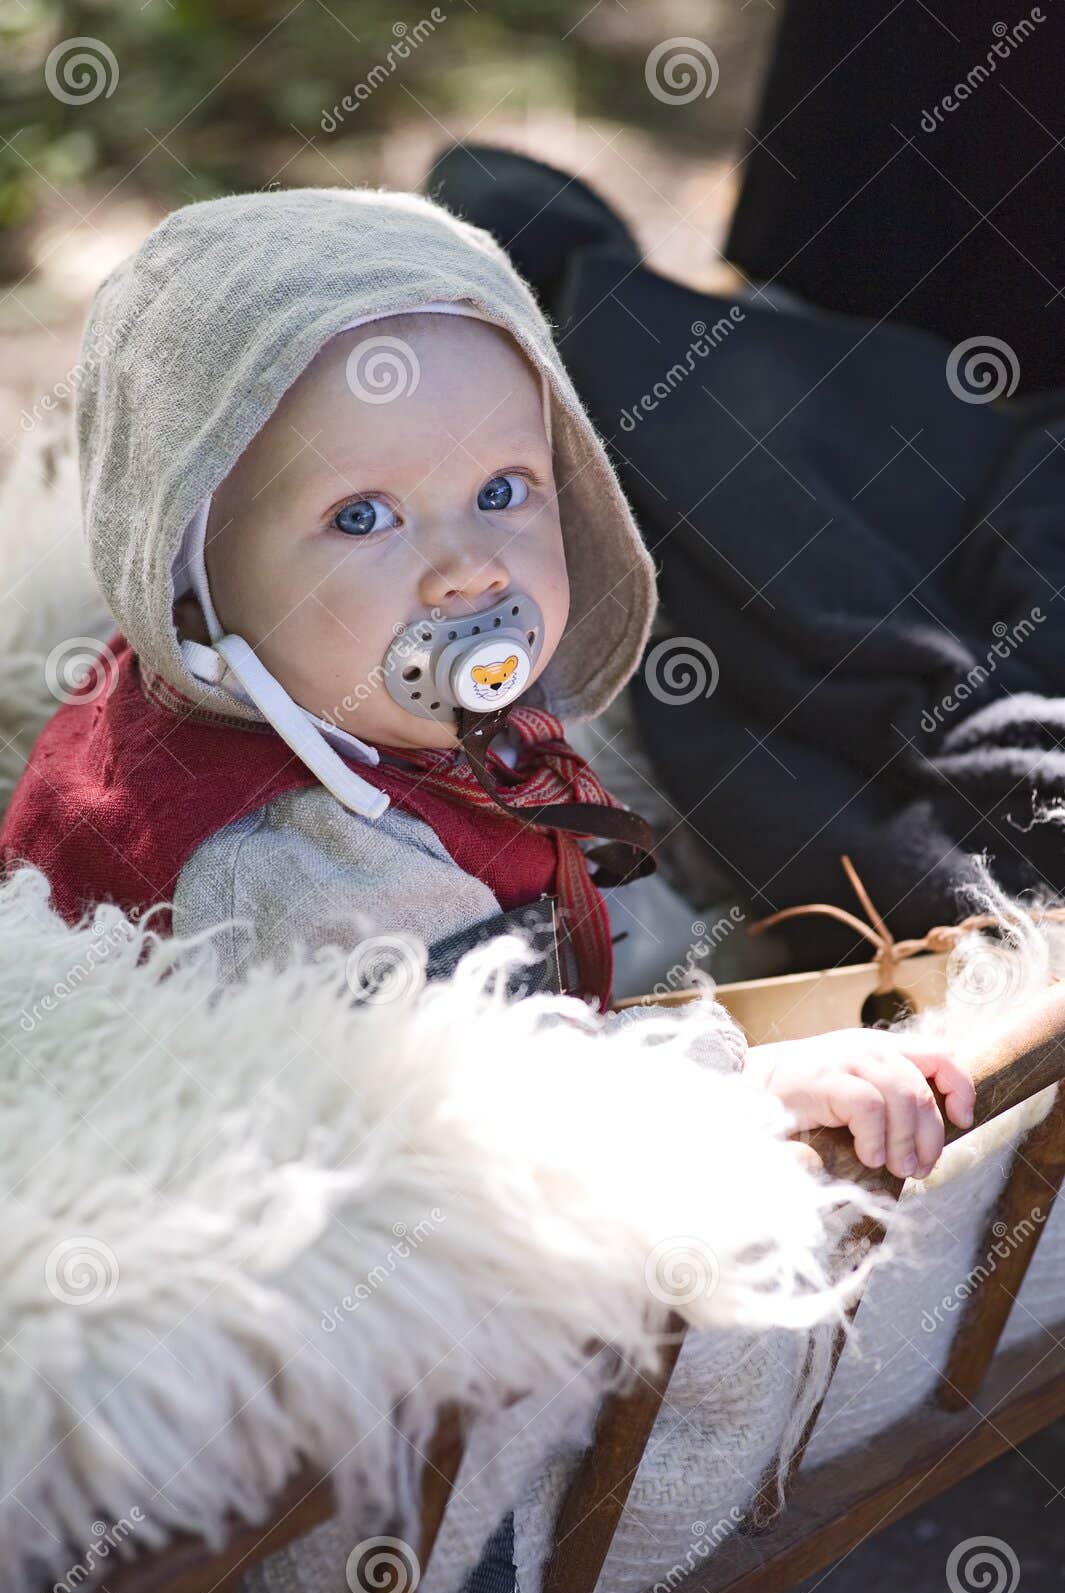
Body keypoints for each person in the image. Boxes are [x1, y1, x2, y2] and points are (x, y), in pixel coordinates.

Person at [0, 184, 973, 1188]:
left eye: (501, 491)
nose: (468, 569)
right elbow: (501, 1107)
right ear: (188, 585)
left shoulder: (338, 680)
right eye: (362, 516)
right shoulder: (290, 867)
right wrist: (752, 1085)